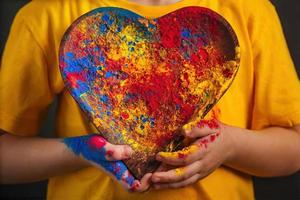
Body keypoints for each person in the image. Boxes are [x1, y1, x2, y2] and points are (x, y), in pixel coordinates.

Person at [1, 0, 300, 199]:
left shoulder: (250, 11)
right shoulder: (47, 14)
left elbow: (293, 149)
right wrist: (80, 152)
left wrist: (230, 146)